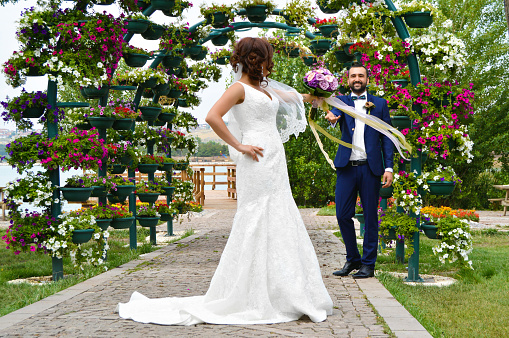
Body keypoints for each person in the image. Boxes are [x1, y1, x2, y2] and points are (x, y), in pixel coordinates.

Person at [117, 37, 334, 325]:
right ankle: (250, 293)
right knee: (256, 216)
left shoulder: (264, 88)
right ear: (257, 59)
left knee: (280, 213)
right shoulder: (238, 88)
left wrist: (316, 95)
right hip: (255, 159)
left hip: (274, 159)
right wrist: (240, 145)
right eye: (269, 57)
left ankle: (284, 290)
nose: (272, 63)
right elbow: (212, 116)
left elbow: (290, 98)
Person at [325, 63, 394, 279]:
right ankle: (353, 259)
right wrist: (332, 117)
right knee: (343, 215)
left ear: (367, 79)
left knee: (371, 217)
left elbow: (388, 138)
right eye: (353, 75)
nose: (357, 79)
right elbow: (334, 113)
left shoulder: (380, 104)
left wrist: (389, 167)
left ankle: (368, 264)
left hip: (371, 168)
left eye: (361, 76)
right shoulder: (342, 101)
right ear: (348, 80)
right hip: (346, 167)